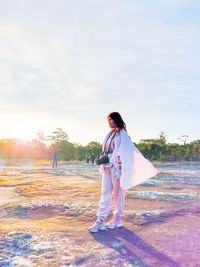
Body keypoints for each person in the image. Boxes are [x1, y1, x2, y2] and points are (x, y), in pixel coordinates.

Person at [88, 112, 159, 233]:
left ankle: (117, 219)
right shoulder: (110, 134)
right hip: (107, 166)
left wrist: (120, 170)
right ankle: (100, 221)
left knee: (118, 194)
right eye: (108, 120)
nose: (110, 122)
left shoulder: (123, 134)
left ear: (117, 120)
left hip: (117, 167)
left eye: (112, 120)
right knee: (105, 193)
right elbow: (106, 150)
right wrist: (102, 158)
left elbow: (125, 152)